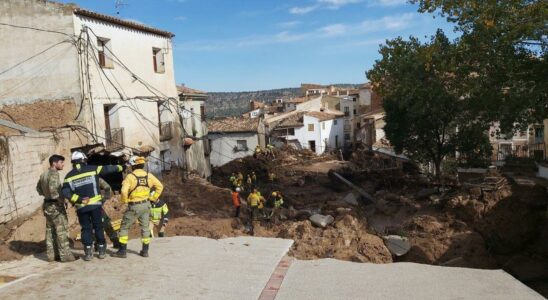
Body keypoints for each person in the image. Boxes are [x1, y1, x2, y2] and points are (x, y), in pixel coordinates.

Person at [61, 151, 123, 261]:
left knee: (85, 229)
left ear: (73, 163)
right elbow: (107, 169)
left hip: (81, 207)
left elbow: (65, 192)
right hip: (95, 206)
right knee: (98, 227)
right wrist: (120, 167)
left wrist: (79, 199)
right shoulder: (92, 169)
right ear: (83, 160)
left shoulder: (68, 176)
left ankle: (88, 253)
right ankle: (101, 251)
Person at [112, 156, 163, 258]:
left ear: (133, 166)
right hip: (146, 205)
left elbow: (123, 191)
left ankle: (122, 251)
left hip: (134, 206)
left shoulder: (130, 177)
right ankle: (145, 251)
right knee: (145, 228)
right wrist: (153, 198)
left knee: (124, 227)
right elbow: (160, 186)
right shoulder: (149, 176)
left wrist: (124, 200)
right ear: (142, 165)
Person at [36, 154, 75, 263]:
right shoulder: (54, 174)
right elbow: (54, 192)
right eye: (61, 162)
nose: (63, 165)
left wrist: (47, 195)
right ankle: (65, 256)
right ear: (54, 163)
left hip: (47, 206)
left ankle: (52, 255)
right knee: (61, 230)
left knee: (50, 231)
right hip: (55, 207)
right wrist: (62, 201)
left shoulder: (43, 174)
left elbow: (39, 189)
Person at [97, 178, 120, 249]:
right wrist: (104, 198)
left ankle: (98, 246)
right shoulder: (94, 177)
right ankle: (115, 242)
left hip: (86, 207)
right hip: (96, 206)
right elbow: (107, 187)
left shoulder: (74, 178)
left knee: (95, 226)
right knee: (105, 223)